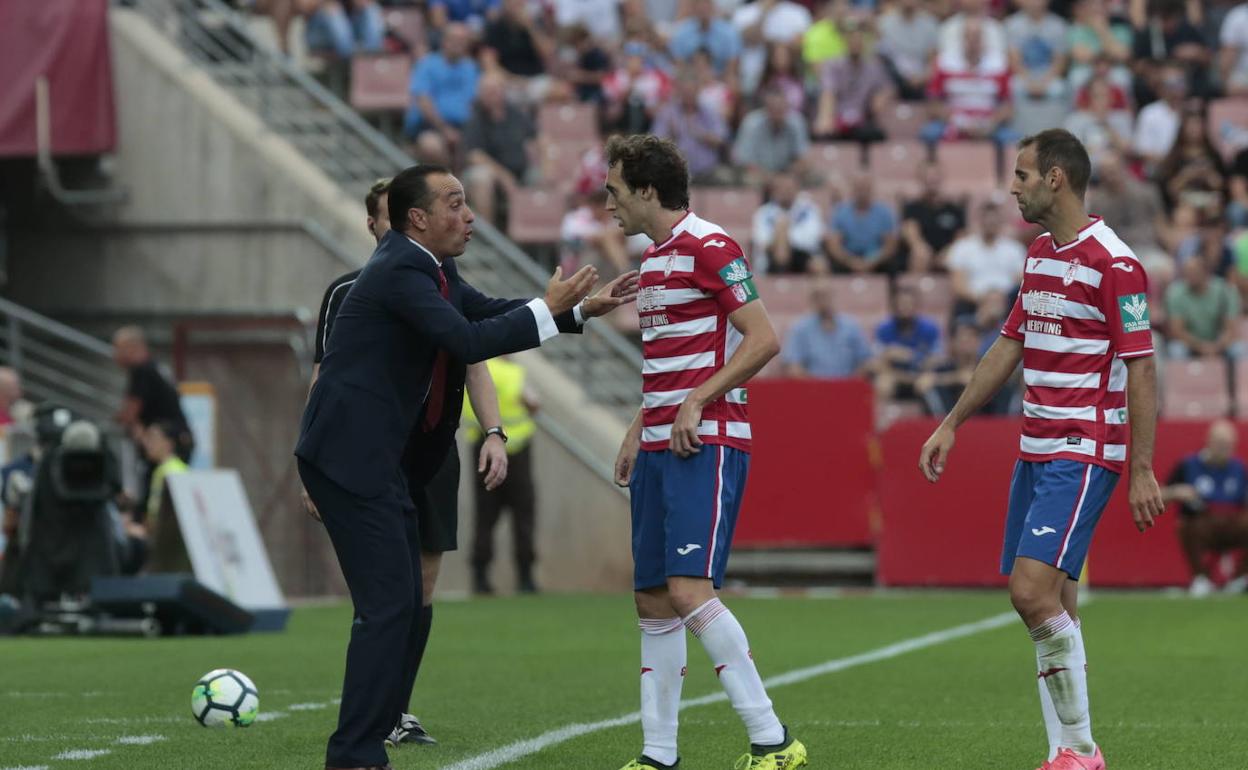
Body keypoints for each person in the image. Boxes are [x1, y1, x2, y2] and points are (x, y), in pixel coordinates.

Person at [295, 163, 638, 770]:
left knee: (401, 603)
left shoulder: (434, 267)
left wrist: (578, 312)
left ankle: (365, 743)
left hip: (383, 462)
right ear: (417, 219)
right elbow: (468, 341)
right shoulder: (400, 267)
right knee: (388, 606)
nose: (470, 215)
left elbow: (482, 315)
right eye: (455, 204)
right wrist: (546, 308)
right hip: (350, 459)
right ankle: (354, 754)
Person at [919, 128, 1165, 770]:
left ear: (1056, 179)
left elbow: (1142, 367)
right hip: (1035, 450)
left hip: (1084, 448)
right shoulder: (1038, 255)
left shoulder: (1116, 263)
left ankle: (1081, 749)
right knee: (1057, 601)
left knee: (1029, 594)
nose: (1013, 186)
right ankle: (1065, 752)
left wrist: (1141, 467)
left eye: (1023, 175)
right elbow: (1009, 345)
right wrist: (952, 421)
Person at [604, 134, 807, 770]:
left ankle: (774, 740)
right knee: (653, 600)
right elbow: (672, 361)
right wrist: (642, 425)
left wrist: (695, 401)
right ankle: (658, 754)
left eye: (614, 192)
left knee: (690, 591)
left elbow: (763, 339)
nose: (608, 205)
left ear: (645, 191)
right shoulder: (656, 261)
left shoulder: (710, 244)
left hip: (707, 441)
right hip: (663, 445)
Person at [302, 177, 510, 748]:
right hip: (375, 453)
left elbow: (473, 357)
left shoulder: (443, 279)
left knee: (416, 588)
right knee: (388, 595)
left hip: (431, 452)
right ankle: (368, 731)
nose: (466, 216)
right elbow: (326, 375)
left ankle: (387, 717)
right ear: (381, 225)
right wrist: (311, 455)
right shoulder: (360, 288)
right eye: (381, 218)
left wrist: (493, 430)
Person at [461, 356, 540, 594]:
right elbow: (533, 403)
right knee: (523, 515)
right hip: (516, 451)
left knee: (484, 516)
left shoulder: (477, 365)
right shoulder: (511, 371)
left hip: (483, 446)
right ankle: (525, 579)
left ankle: (480, 578)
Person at [1163, 420, 1248, 597]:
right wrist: (1176, 491)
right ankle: (1201, 579)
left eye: (1229, 445)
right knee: (1185, 524)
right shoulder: (1188, 465)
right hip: (1201, 525)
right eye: (1221, 443)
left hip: (1232, 525)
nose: (1225, 449)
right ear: (1208, 441)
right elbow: (1161, 495)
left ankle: (1240, 580)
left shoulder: (1239, 468)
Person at [780, 280, 875, 379]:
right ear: (811, 300)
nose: (823, 300)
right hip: (812, 389)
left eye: (826, 295)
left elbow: (866, 362)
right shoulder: (800, 328)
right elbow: (793, 366)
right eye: (818, 296)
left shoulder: (852, 326)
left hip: (848, 387)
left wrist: (851, 383)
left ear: (834, 296)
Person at [1164, 255, 1243, 360]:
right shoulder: (1175, 293)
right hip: (1190, 344)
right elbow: (1177, 330)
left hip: (1220, 344)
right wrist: (1201, 347)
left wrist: (1215, 347)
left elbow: (1230, 328)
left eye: (1194, 272)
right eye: (1187, 272)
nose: (1190, 276)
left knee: (1239, 350)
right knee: (1176, 350)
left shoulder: (1225, 291)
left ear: (1206, 272)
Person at [874, 286, 942, 403]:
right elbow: (876, 363)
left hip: (921, 375)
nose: (905, 307)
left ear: (916, 306)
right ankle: (882, 420)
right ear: (893, 307)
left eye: (909, 303)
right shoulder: (883, 329)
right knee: (883, 383)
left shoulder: (930, 328)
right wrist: (887, 355)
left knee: (928, 383)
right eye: (900, 304)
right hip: (896, 376)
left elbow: (939, 359)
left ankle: (936, 420)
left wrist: (913, 356)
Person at [824, 173, 900, 274]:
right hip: (848, 258)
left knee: (893, 266)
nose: (862, 192)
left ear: (871, 190)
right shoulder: (840, 212)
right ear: (852, 190)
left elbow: (890, 245)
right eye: (859, 188)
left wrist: (871, 261)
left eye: (865, 188)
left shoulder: (884, 213)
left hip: (876, 259)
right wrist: (851, 262)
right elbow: (834, 245)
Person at [750, 172, 824, 274]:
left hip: (802, 255)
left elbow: (812, 239)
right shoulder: (763, 213)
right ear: (774, 191)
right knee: (781, 230)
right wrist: (781, 234)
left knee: (819, 264)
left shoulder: (809, 210)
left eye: (789, 188)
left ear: (797, 189)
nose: (785, 192)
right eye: (781, 188)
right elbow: (762, 242)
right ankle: (781, 274)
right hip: (771, 258)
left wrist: (787, 236)